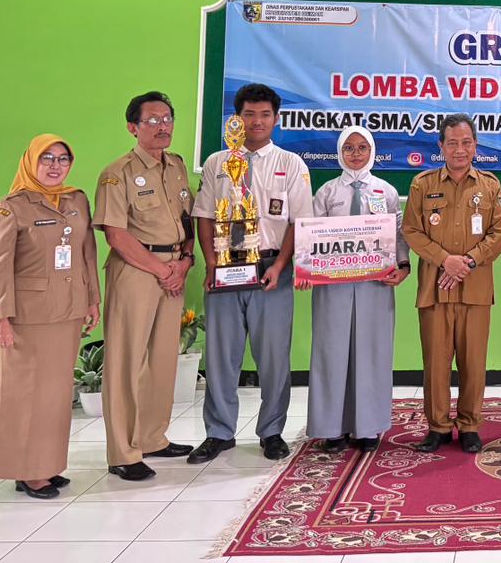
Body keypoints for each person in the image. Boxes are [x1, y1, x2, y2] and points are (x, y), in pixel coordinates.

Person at [189, 82, 313, 465]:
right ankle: (219, 432)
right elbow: (204, 216)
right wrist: (211, 263)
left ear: (276, 119)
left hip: (272, 271)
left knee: (273, 357)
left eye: (264, 115)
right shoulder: (217, 163)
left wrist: (280, 265)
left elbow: (298, 221)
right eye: (249, 114)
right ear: (236, 118)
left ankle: (271, 431)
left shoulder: (291, 164)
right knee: (221, 356)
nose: (256, 121)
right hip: (225, 271)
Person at [0, 135, 100, 499]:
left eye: (63, 159)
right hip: (28, 316)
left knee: (55, 395)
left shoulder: (76, 200)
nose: (55, 165)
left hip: (68, 310)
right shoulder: (11, 207)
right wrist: (0, 317)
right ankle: (26, 471)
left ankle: (47, 465)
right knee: (25, 395)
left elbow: (86, 253)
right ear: (31, 161)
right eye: (47, 158)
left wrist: (92, 300)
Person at [94, 92, 196, 481]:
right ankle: (123, 452)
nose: (162, 126)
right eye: (152, 120)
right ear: (132, 127)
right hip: (136, 271)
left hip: (174, 269)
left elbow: (187, 221)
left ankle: (152, 437)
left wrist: (184, 263)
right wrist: (160, 269)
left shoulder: (177, 167)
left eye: (167, 118)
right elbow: (116, 235)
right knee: (126, 361)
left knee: (163, 358)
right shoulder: (116, 173)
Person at [301, 125, 410, 452]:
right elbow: (311, 237)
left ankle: (368, 427)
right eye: (349, 147)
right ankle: (332, 428)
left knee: (372, 352)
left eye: (363, 147)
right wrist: (305, 269)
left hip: (375, 285)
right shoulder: (327, 192)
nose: (356, 153)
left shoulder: (386, 192)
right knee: (331, 352)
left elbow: (399, 235)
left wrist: (403, 266)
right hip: (332, 287)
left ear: (372, 151)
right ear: (340, 152)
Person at [403, 114, 501, 453]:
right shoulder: (422, 184)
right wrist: (445, 260)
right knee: (436, 363)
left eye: (466, 143)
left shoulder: (490, 185)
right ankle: (437, 427)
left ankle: (470, 426)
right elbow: (411, 230)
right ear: (441, 146)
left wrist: (468, 262)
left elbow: (498, 233)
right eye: (452, 143)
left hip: (476, 288)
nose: (459, 150)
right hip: (435, 287)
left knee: (473, 362)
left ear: (475, 145)